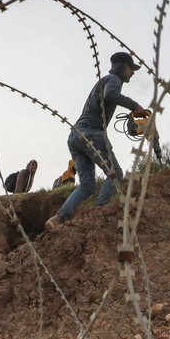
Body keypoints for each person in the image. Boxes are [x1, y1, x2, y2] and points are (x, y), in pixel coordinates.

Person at [47, 52, 149, 226]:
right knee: (115, 173)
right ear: (122, 67)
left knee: (87, 186)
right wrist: (136, 106)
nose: (132, 73)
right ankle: (100, 211)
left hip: (76, 135)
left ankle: (59, 218)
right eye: (131, 68)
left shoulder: (105, 81)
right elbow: (110, 95)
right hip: (91, 133)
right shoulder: (114, 80)